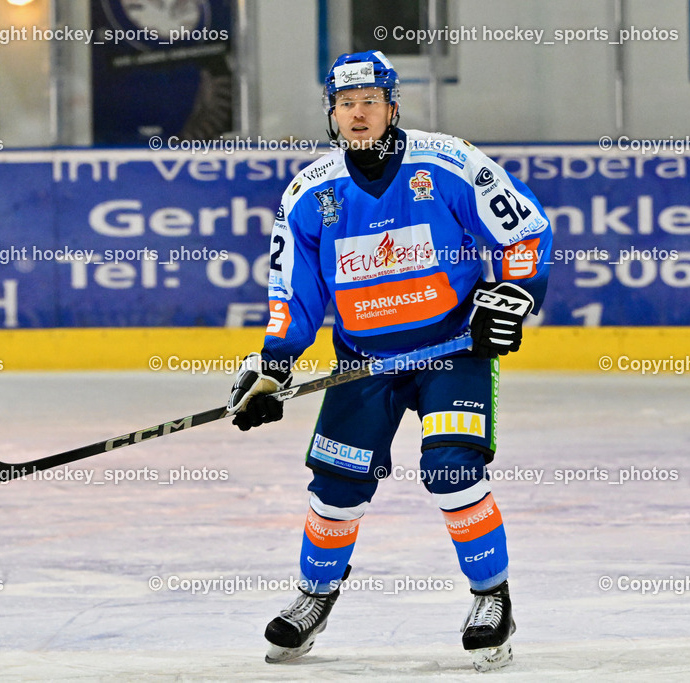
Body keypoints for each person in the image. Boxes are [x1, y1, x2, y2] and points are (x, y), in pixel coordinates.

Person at [226, 50, 552, 672]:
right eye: (346, 104)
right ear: (332, 114)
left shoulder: (449, 161)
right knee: (336, 487)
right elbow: (292, 293)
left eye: (370, 102)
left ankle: (492, 598)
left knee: (452, 471)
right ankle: (313, 598)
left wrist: (513, 294)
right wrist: (272, 363)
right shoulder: (309, 192)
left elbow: (525, 233)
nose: (358, 114)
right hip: (362, 362)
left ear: (392, 106)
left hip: (451, 350)